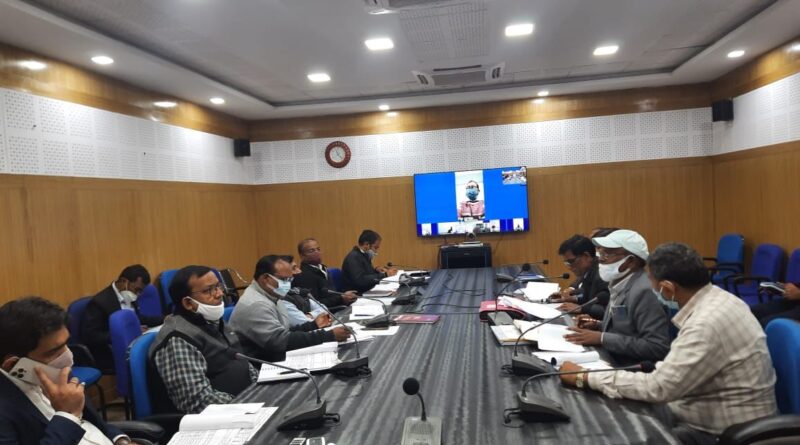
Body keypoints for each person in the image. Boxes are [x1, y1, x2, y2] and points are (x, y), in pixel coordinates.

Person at [560, 243, 778, 444]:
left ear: (668, 288)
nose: (652, 289)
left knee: (618, 431)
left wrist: (585, 377)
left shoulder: (705, 324)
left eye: (652, 284)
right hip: (705, 406)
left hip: (726, 432)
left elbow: (658, 387)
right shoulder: (721, 298)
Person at [1, 296, 144, 445]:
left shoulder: (57, 371)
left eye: (66, 344)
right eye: (54, 352)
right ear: (12, 365)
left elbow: (95, 423)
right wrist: (66, 415)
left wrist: (121, 440)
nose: (68, 356)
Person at [150, 265, 256, 414]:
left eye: (218, 286)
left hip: (247, 402)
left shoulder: (213, 320)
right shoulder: (177, 339)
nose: (219, 294)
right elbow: (198, 400)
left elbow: (242, 362)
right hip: (221, 417)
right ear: (188, 303)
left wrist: (261, 388)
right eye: (208, 290)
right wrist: (247, 405)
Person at [564, 229, 670, 365]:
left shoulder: (644, 291)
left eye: (607, 254)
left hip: (630, 368)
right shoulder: (619, 283)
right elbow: (628, 329)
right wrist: (598, 325)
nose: (600, 259)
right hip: (610, 357)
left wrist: (602, 338)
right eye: (600, 254)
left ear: (630, 261)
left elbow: (657, 346)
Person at [230, 255, 350, 362]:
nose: (287, 284)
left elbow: (285, 331)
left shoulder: (272, 295)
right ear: (265, 278)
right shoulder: (256, 304)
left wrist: (313, 325)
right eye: (284, 280)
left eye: (290, 280)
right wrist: (328, 336)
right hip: (261, 366)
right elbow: (279, 341)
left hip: (275, 355)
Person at [82, 265, 164, 371]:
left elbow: (138, 318)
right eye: (137, 290)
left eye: (140, 292)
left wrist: (164, 319)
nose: (137, 295)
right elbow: (90, 336)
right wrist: (127, 333)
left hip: (133, 344)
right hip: (110, 351)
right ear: (123, 282)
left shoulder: (129, 295)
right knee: (153, 359)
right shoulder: (99, 303)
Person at [549, 235, 609, 320]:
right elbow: (589, 297)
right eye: (566, 263)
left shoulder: (602, 275)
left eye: (571, 261)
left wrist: (582, 308)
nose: (569, 267)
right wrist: (571, 298)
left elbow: (609, 311)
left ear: (586, 256)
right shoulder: (589, 271)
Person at [293, 238, 358, 309]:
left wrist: (344, 296)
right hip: (329, 311)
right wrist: (341, 298)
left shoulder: (322, 268)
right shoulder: (304, 276)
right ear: (302, 256)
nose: (317, 252)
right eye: (312, 251)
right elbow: (315, 304)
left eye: (318, 249)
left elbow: (332, 294)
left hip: (339, 305)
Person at [278, 254, 328, 326]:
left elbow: (325, 310)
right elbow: (305, 323)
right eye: (294, 268)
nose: (299, 271)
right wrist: (319, 317)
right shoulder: (282, 299)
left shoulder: (298, 291)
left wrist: (311, 315)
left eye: (297, 267)